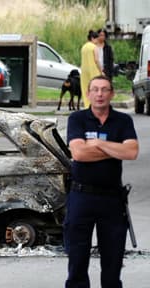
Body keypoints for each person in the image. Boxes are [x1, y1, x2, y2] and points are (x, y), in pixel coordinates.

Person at [64, 75, 139, 288]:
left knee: (113, 260)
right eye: (95, 89)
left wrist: (97, 144)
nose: (100, 94)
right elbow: (78, 153)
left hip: (112, 199)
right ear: (88, 93)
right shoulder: (77, 119)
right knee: (77, 258)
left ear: (112, 93)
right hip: (81, 196)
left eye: (105, 89)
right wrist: (115, 149)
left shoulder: (123, 121)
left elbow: (132, 151)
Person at [80, 30, 102, 108]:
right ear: (92, 38)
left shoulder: (84, 47)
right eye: (96, 39)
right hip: (93, 72)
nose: (97, 41)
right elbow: (96, 60)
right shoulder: (94, 47)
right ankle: (94, 106)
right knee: (95, 90)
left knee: (86, 89)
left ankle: (87, 106)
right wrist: (101, 70)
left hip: (84, 72)